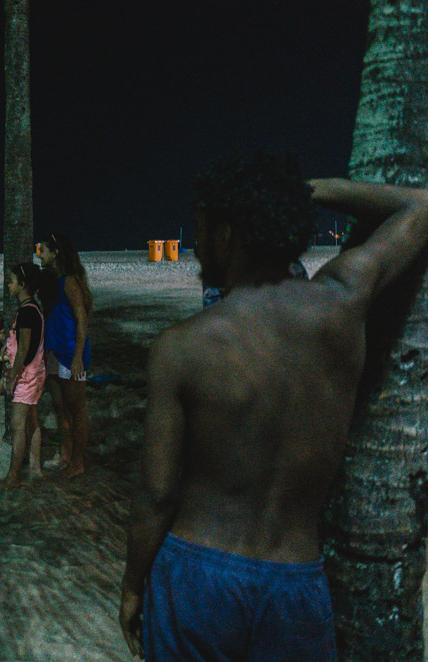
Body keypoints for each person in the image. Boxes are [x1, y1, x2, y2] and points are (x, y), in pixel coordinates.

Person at [118, 153, 428, 661]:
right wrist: (308, 190)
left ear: (227, 236)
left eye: (202, 231)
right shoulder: (342, 300)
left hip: (199, 573)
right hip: (294, 581)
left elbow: (156, 492)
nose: (198, 249)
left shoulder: (182, 347)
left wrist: (133, 588)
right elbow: (419, 206)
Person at [38, 232, 93, 479]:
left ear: (56, 253)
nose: (40, 254)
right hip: (53, 352)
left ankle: (78, 462)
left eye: (44, 250)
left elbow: (82, 320)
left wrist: (78, 357)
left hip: (70, 354)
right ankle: (66, 454)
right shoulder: (54, 282)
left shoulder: (69, 281)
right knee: (60, 408)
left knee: (77, 409)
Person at [1, 263, 46, 489]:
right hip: (37, 372)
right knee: (32, 420)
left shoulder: (27, 312)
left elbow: (24, 348)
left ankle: (13, 477)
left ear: (23, 285)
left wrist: (11, 376)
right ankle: (36, 468)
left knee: (18, 426)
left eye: (12, 281)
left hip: (27, 375)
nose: (9, 285)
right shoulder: (33, 308)